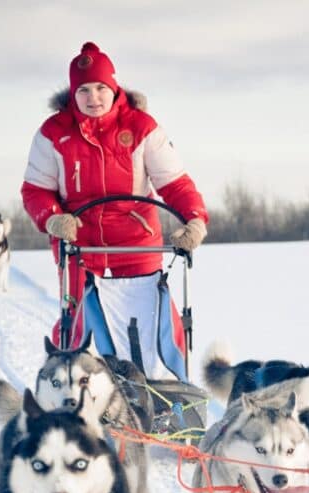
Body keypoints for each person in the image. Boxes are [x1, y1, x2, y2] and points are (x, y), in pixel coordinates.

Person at [21, 42, 208, 378]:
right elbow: (35, 190)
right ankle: (74, 390)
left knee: (151, 324)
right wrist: (52, 217)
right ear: (73, 94)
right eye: (84, 90)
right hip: (80, 246)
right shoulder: (54, 134)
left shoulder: (141, 128)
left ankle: (163, 392)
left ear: (114, 87)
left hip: (136, 244)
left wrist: (194, 220)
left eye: (101, 88)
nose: (93, 98)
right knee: (78, 324)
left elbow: (175, 184)